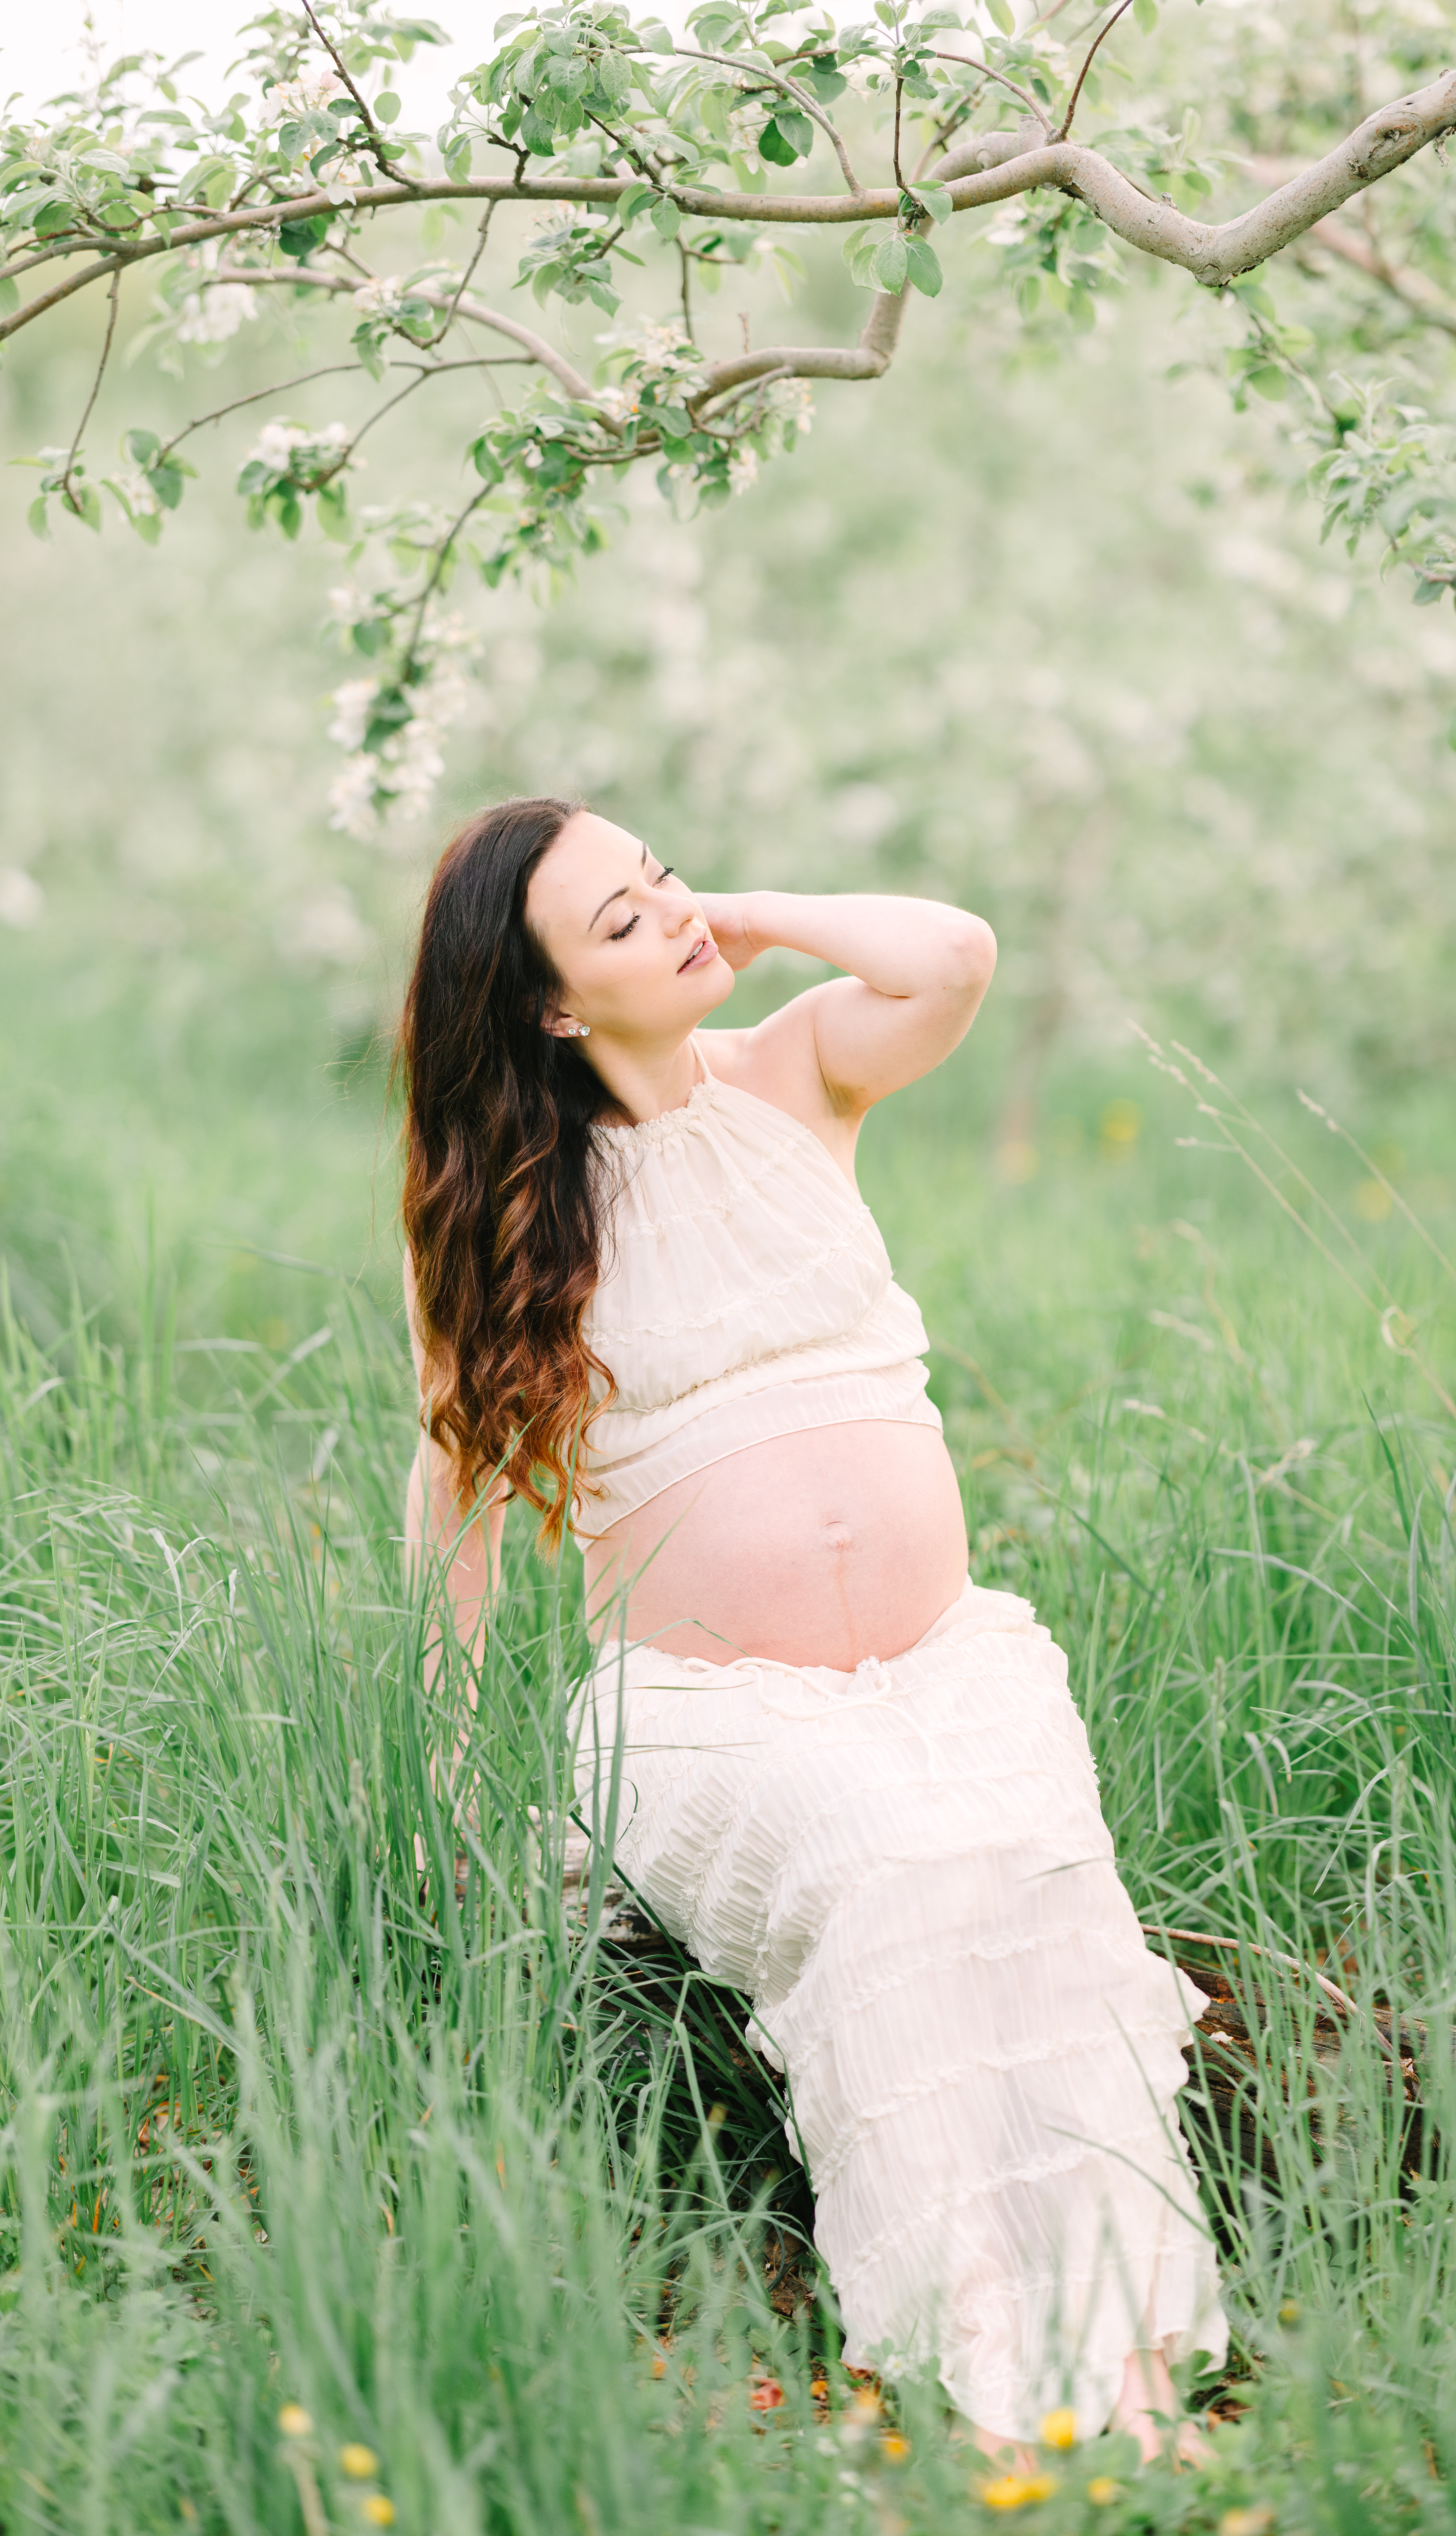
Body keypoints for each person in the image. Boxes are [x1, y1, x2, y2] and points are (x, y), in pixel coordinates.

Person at [398, 794, 1227, 2462]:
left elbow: (953, 956)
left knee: (1027, 1867)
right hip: (717, 1716)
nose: (674, 919)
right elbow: (457, 1514)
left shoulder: (798, 1072)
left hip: (941, 1670)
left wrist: (742, 911)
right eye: (619, 925)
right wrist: (434, 1776)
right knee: (902, 1869)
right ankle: (1009, 2378)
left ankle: (1131, 2363)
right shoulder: (518, 1214)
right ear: (553, 1005)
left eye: (662, 881)